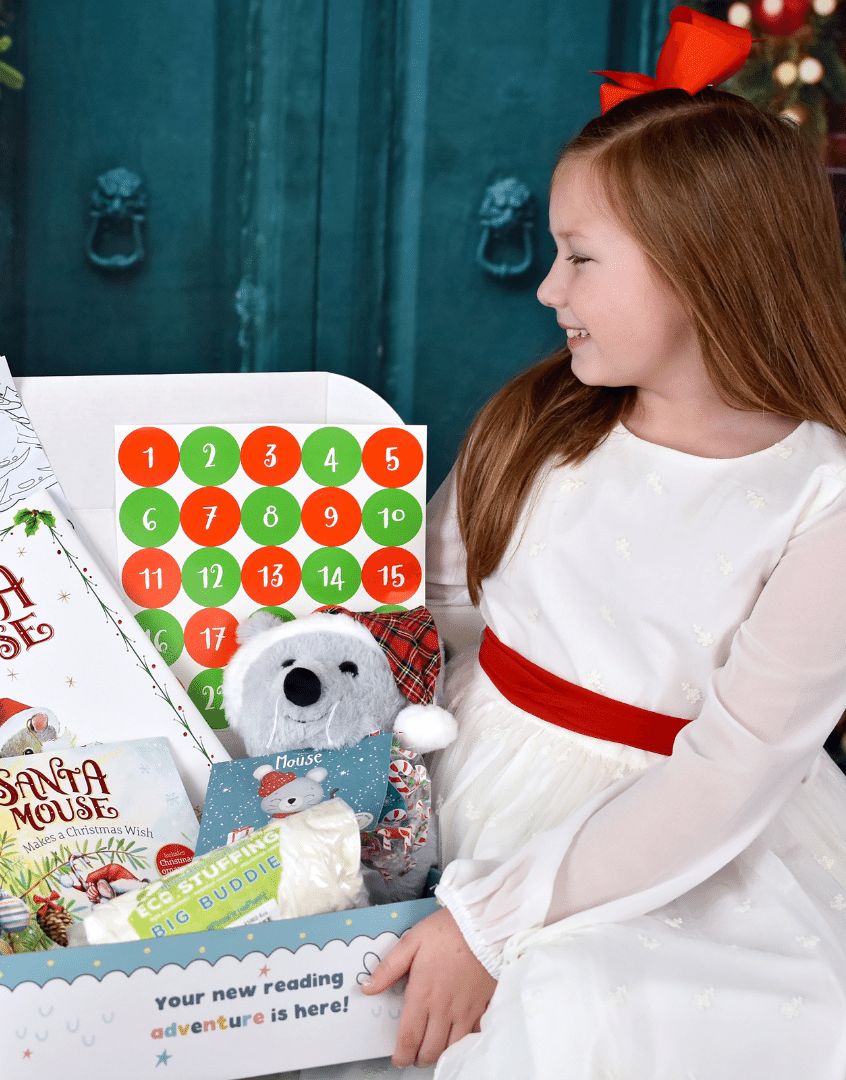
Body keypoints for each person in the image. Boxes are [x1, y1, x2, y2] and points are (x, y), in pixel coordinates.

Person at [355, 12, 846, 1080]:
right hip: (476, 779)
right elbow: (432, 608)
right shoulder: (537, 422)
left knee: (587, 1008)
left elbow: (728, 775)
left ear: (703, 266)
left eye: (578, 257)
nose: (547, 290)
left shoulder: (823, 497)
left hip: (679, 836)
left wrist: (492, 919)